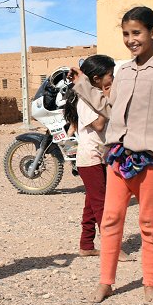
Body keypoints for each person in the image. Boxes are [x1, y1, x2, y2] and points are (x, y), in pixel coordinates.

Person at [71, 6, 153, 302]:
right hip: (118, 159)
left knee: (149, 223)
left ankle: (150, 282)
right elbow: (110, 109)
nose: (131, 39)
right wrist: (82, 84)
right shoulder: (123, 71)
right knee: (110, 220)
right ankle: (106, 282)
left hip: (149, 161)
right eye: (126, 34)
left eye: (136, 32)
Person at [62, 55, 129, 261]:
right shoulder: (85, 99)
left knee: (92, 204)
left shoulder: (95, 96)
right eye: (110, 75)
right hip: (90, 158)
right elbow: (99, 125)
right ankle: (113, 248)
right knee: (103, 205)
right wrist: (108, 99)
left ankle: (86, 245)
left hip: (100, 156)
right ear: (98, 78)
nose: (113, 78)